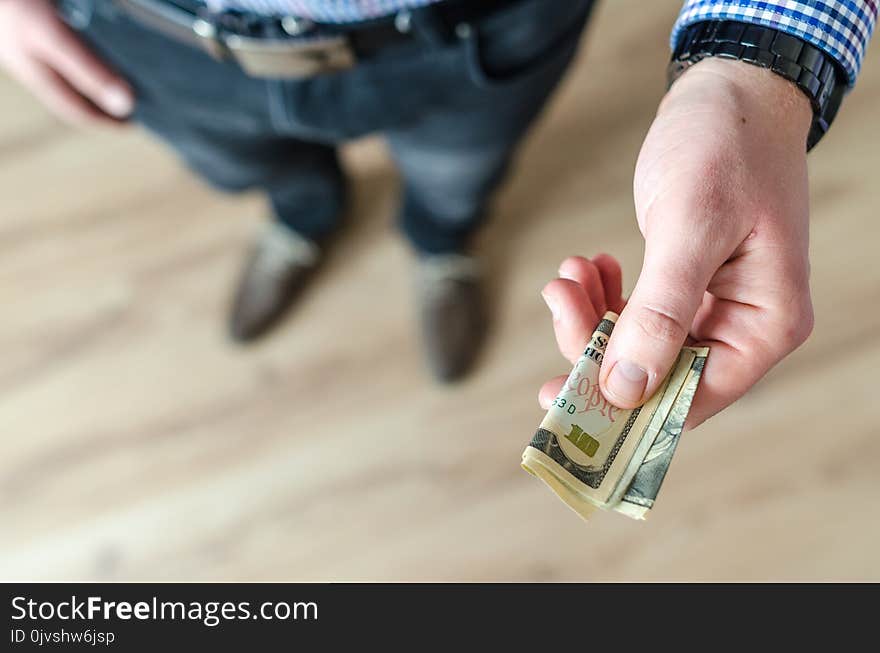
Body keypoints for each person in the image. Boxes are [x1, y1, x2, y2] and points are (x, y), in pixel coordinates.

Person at [0, 0, 874, 427]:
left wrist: (756, 70)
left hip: (475, 27)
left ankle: (441, 244)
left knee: (459, 179)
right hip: (149, 36)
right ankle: (304, 219)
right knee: (245, 170)